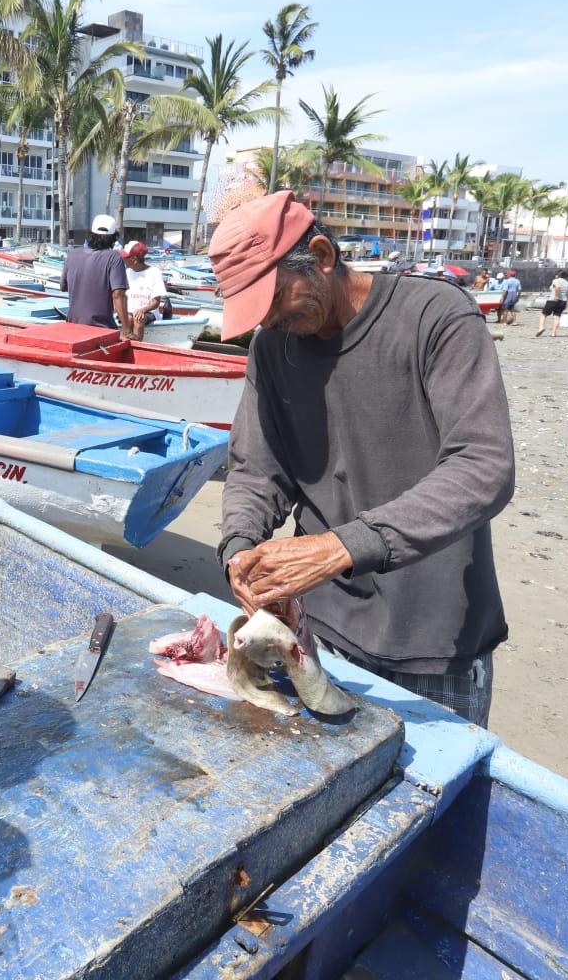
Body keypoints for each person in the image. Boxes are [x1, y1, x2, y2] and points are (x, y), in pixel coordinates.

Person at [211, 190, 515, 726]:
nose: (269, 323)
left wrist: (340, 546)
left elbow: (483, 467)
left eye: (276, 301)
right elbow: (257, 467)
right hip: (320, 630)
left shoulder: (435, 317)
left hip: (433, 637)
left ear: (323, 257)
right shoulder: (271, 348)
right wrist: (239, 547)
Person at [62, 214, 131, 336]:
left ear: (91, 235)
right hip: (101, 327)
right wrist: (126, 330)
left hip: (72, 325)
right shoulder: (114, 257)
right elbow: (118, 294)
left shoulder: (72, 254)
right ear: (113, 238)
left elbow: (64, 287)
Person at [122, 240, 168, 341]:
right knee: (129, 318)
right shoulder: (126, 272)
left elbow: (155, 303)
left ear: (134, 259)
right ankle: (126, 343)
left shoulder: (154, 272)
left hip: (149, 313)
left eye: (125, 257)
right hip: (130, 312)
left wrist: (142, 310)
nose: (123, 259)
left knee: (138, 318)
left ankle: (137, 347)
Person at [539, 271, 568, 337]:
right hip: (563, 301)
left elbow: (557, 287)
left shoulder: (556, 280)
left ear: (559, 275)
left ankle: (541, 327)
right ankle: (553, 333)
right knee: (557, 317)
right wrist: (566, 303)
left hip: (553, 300)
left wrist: (556, 296)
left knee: (544, 314)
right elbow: (567, 294)